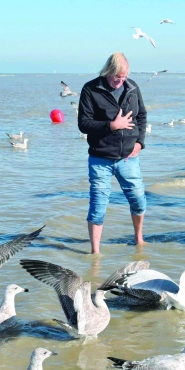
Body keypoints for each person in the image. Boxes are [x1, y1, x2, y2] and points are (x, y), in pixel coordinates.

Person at [77, 52, 148, 254]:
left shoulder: (132, 88)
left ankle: (139, 239)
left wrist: (140, 143)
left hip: (129, 157)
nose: (120, 81)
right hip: (100, 158)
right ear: (108, 71)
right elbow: (84, 124)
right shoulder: (91, 89)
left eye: (124, 77)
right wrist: (112, 126)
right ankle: (95, 252)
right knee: (98, 205)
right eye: (117, 77)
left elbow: (141, 116)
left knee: (138, 199)